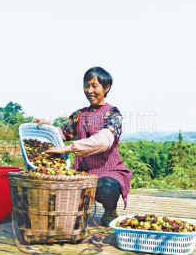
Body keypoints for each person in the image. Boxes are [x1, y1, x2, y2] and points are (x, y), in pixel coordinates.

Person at [32, 67, 132, 226]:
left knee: (108, 187)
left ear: (106, 88)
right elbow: (63, 134)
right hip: (82, 170)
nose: (90, 90)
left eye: (95, 86)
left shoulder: (113, 114)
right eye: (86, 85)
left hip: (108, 170)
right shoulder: (79, 114)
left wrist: (68, 148)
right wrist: (45, 128)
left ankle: (110, 210)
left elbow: (104, 140)